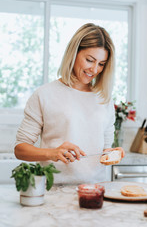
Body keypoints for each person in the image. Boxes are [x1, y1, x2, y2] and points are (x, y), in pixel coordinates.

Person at [14, 23, 125, 184]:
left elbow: (105, 149)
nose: (94, 69)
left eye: (101, 64)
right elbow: (20, 149)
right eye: (89, 60)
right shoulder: (44, 95)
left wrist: (112, 153)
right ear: (74, 53)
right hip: (54, 193)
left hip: (95, 190)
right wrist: (52, 153)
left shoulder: (104, 99)